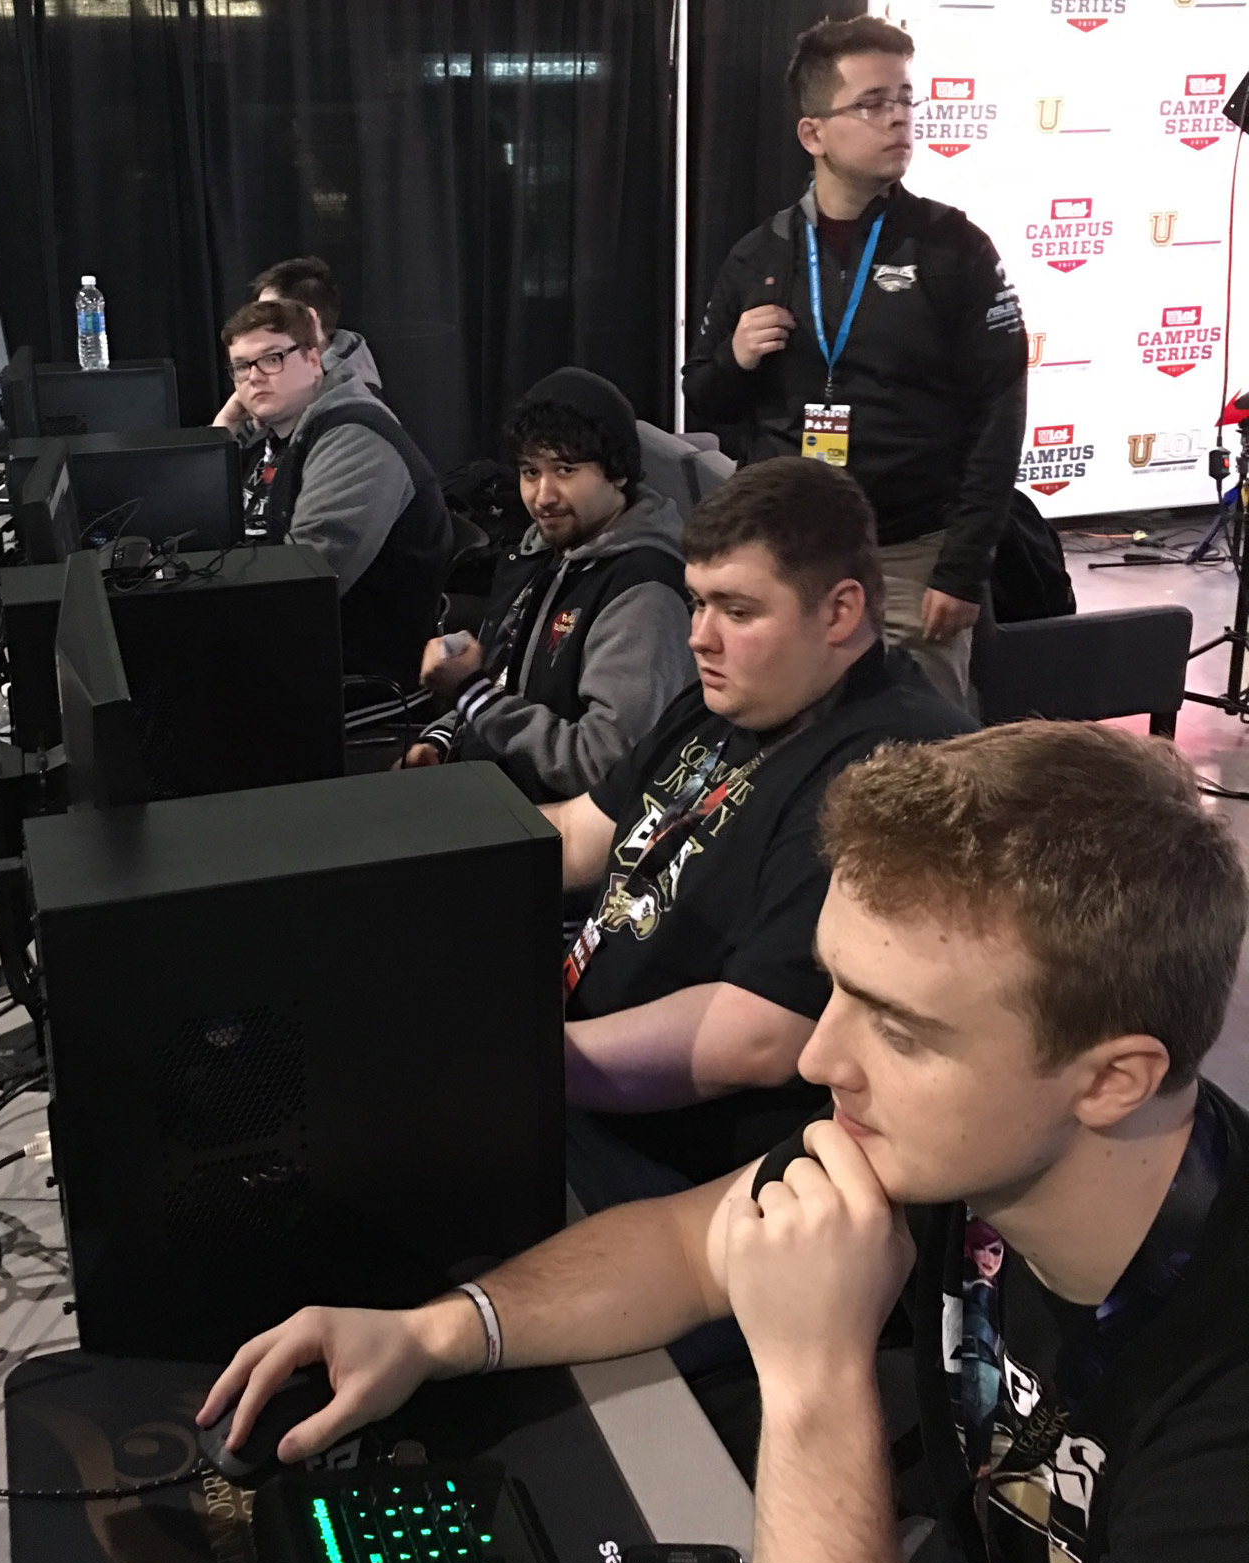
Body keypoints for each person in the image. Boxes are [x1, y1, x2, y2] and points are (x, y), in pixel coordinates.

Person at [200, 720, 1249, 1563]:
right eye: (835, 988)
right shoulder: (968, 1144)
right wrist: (433, 1334)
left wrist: (814, 1376)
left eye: (900, 1029)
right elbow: (689, 1244)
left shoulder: (1222, 1445)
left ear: (1113, 1079)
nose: (819, 1056)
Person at [549, 454, 968, 1201]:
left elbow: (759, 1036)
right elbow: (583, 833)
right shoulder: (731, 697)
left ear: (839, 612)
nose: (699, 637)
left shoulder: (892, 768)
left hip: (686, 1167)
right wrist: (430, 863)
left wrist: (523, 1070)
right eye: (696, 603)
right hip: (582, 1070)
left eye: (737, 611)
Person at [682, 15, 1026, 710]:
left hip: (911, 555)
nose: (898, 119)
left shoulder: (955, 248)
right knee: (790, 739)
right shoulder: (760, 254)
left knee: (924, 756)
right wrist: (736, 359)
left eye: (904, 99)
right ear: (813, 133)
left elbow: (1000, 413)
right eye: (872, 104)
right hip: (784, 558)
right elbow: (704, 398)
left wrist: (962, 568)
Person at [402, 367, 694, 803]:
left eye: (565, 469)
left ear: (618, 472)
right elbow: (502, 682)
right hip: (492, 790)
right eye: (530, 472)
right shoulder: (543, 551)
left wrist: (469, 691)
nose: (543, 496)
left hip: (546, 823)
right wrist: (444, 739)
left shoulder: (644, 593)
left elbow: (601, 766)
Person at [219, 297, 451, 711]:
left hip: (360, 673)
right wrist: (228, 424)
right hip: (304, 649)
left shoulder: (355, 436)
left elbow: (304, 584)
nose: (254, 377)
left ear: (314, 360)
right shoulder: (281, 434)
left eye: (272, 359)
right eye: (241, 366)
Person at [212, 255, 383, 431]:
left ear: (310, 320)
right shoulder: (262, 397)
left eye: (273, 315)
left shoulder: (351, 412)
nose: (254, 377)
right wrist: (227, 421)